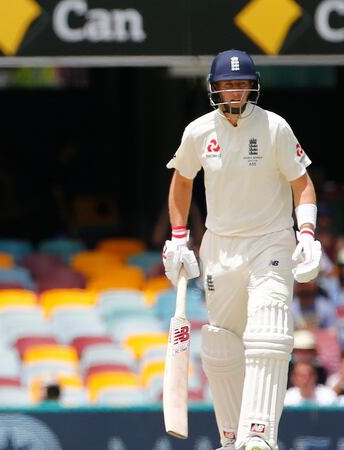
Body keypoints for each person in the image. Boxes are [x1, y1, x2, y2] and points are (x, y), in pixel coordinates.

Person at [162, 49, 322, 450]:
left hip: (270, 240)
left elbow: (301, 183)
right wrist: (180, 237)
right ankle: (232, 437)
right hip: (220, 246)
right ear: (214, 87)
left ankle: (259, 434)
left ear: (253, 85)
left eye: (241, 83)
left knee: (268, 331)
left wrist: (306, 233)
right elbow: (182, 181)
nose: (235, 90)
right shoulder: (199, 131)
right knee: (220, 340)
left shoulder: (275, 128)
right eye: (227, 84)